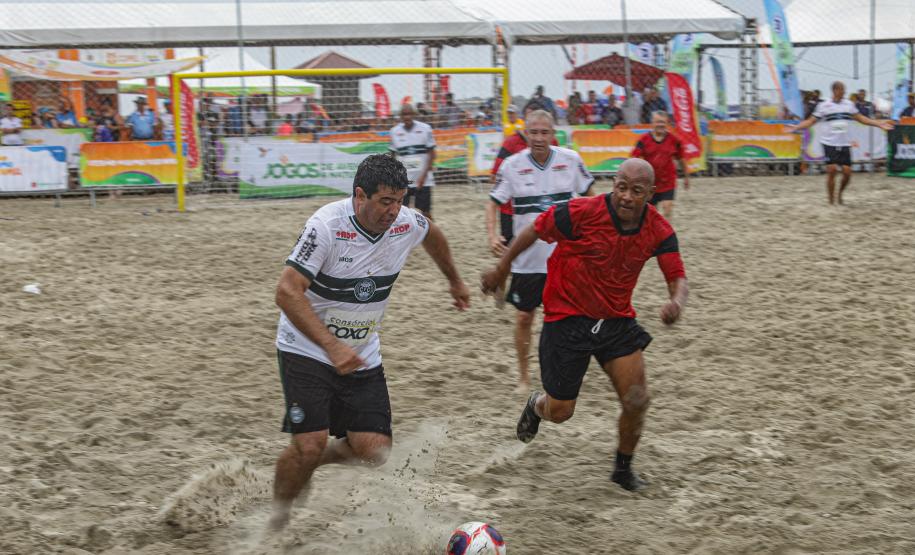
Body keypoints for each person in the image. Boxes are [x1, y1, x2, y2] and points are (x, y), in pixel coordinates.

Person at [269, 153, 470, 530]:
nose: (395, 211)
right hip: (306, 349)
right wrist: (332, 347)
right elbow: (286, 292)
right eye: (385, 202)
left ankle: (312, 461)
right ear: (360, 195)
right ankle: (277, 519)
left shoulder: (406, 221)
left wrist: (454, 280)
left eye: (400, 200)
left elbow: (433, 233)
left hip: (360, 354)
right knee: (307, 444)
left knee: (376, 452)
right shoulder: (326, 226)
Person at [481, 157, 688, 491]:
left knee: (637, 400)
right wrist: (502, 269)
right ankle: (537, 404)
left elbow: (677, 276)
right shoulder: (581, 212)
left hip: (615, 321)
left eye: (636, 191)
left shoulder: (658, 229)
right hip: (567, 319)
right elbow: (534, 228)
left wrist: (676, 301)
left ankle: (622, 471)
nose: (626, 197)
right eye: (621, 187)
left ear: (650, 194)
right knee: (560, 412)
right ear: (613, 184)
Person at [487, 110, 595, 390]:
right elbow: (492, 202)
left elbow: (591, 198)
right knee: (524, 317)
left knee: (567, 320)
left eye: (544, 132)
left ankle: (565, 371)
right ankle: (523, 377)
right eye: (533, 132)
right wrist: (492, 234)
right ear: (526, 134)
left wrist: (594, 233)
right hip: (527, 260)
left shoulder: (571, 161)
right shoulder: (511, 165)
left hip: (564, 258)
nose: (538, 138)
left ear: (553, 134)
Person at [788, 81, 894, 205]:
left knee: (847, 172)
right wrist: (796, 127)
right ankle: (831, 200)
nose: (844, 92)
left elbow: (862, 119)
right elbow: (811, 121)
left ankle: (840, 194)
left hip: (845, 143)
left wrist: (878, 123)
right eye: (842, 90)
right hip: (829, 143)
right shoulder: (824, 105)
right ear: (835, 90)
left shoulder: (849, 104)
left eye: (844, 90)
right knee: (832, 170)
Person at [631, 111, 689, 219]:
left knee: (667, 209)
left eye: (663, 122)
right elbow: (634, 158)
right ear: (652, 123)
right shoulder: (644, 140)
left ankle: (665, 234)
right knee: (651, 214)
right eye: (658, 122)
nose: (660, 125)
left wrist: (686, 177)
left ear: (667, 123)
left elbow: (681, 159)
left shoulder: (674, 140)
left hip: (668, 181)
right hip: (650, 183)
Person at [389, 104, 436, 218]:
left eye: (409, 114)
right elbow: (393, 156)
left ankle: (429, 234)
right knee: (402, 212)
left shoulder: (425, 129)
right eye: (404, 114)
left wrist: (423, 177)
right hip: (404, 181)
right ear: (400, 116)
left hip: (423, 180)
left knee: (426, 213)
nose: (407, 117)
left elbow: (432, 154)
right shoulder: (394, 132)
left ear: (414, 115)